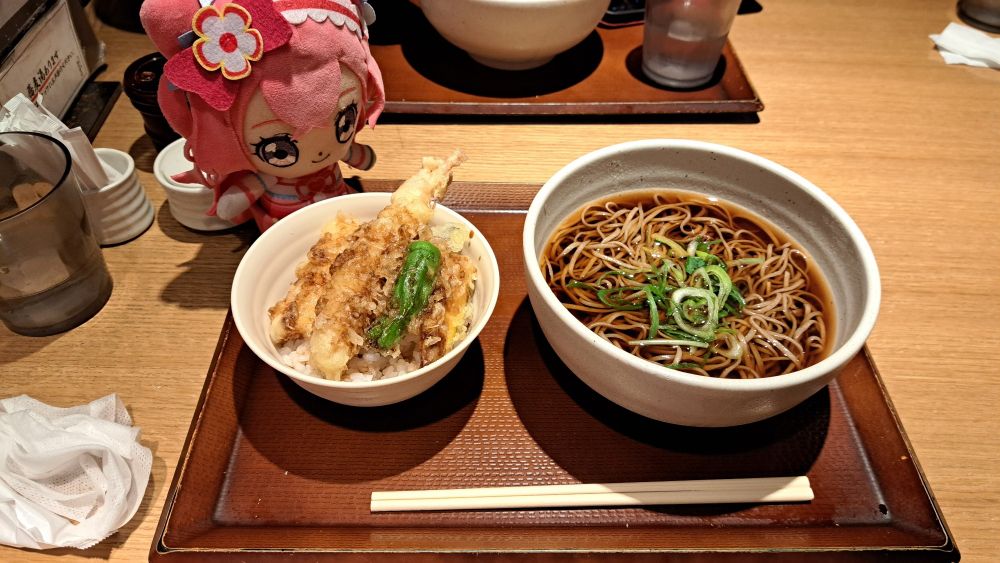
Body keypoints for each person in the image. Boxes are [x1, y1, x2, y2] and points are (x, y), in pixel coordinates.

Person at [140, 0, 385, 231]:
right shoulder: (268, 179)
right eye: (280, 150)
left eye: (345, 123)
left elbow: (366, 159)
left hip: (343, 214)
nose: (320, 152)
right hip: (283, 229)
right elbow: (231, 205)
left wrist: (354, 153)